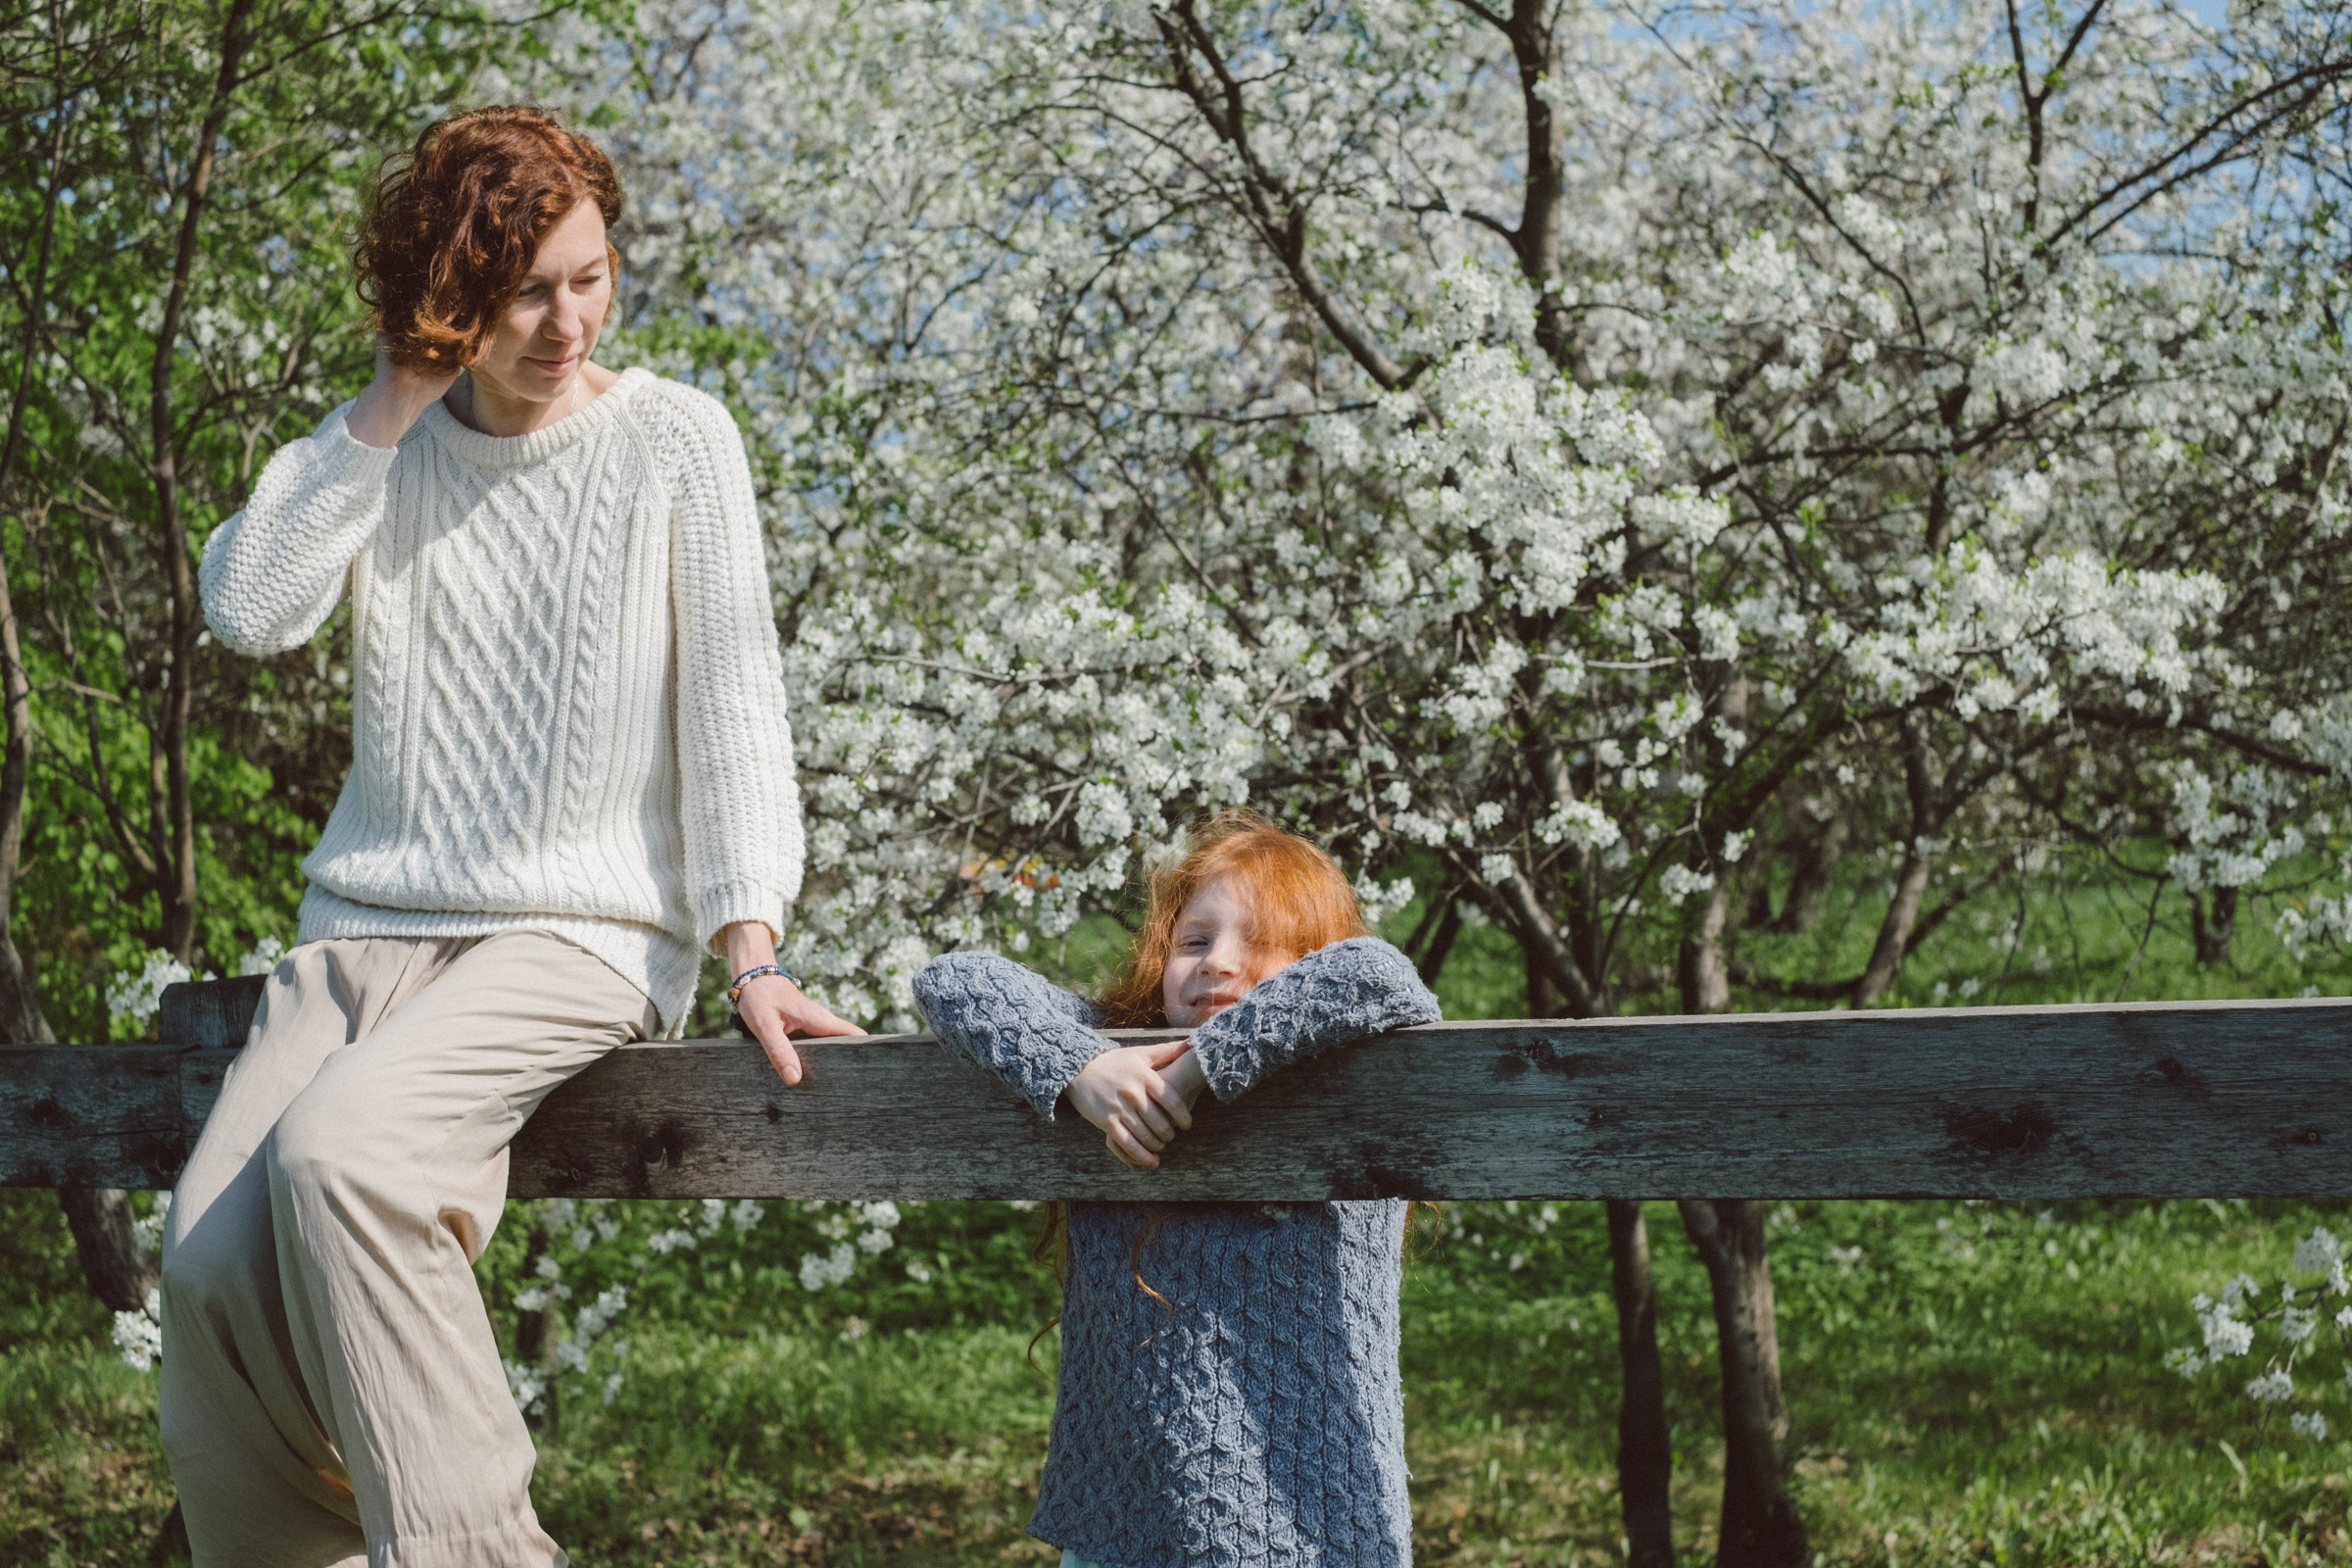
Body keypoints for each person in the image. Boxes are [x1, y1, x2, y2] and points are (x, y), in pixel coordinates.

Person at [158, 106, 860, 1567]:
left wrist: (749, 947)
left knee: (348, 1160)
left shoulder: (673, 439)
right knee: (210, 1260)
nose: (566, 320)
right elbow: (250, 607)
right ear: (447, 302)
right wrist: (386, 406)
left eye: (590, 276)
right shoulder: (383, 451)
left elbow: (733, 701)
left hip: (575, 935)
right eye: (524, 289)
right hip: (363, 934)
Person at [912, 810, 1441, 1568]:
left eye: (1258, 943)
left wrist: (1202, 1068)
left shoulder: (1343, 1072)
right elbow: (951, 979)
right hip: (1130, 1528)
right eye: (1195, 941)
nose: (1219, 963)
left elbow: (1378, 973)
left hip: (1313, 1525)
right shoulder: (1121, 1061)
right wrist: (1083, 1072)